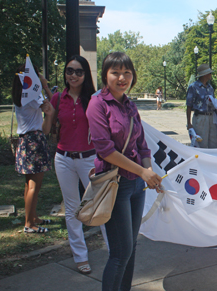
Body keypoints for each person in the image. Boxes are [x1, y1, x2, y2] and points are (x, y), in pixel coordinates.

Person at [86, 52, 164, 290]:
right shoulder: (97, 104)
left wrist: (148, 172)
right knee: (120, 253)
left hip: (137, 187)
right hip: (114, 185)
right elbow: (106, 151)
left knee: (130, 250)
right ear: (105, 75)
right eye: (115, 72)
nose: (122, 77)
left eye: (127, 72)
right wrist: (143, 172)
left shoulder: (130, 105)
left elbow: (142, 145)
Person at [50, 55, 107, 274]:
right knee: (72, 208)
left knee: (99, 206)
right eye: (69, 71)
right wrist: (48, 113)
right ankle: (80, 256)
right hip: (63, 159)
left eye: (78, 71)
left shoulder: (93, 99)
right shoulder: (57, 98)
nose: (73, 75)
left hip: (89, 159)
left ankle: (115, 252)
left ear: (85, 75)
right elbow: (48, 129)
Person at [12, 64, 54, 234]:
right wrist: (44, 85)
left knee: (29, 185)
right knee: (34, 186)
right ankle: (29, 223)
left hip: (25, 142)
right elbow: (52, 102)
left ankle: (32, 217)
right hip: (34, 142)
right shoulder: (32, 97)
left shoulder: (21, 96)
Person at [186, 64, 217, 148]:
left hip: (211, 117)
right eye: (209, 73)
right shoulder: (193, 87)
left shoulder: (210, 87)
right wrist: (189, 123)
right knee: (201, 143)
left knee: (213, 143)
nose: (211, 75)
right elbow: (188, 105)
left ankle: (212, 160)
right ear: (205, 75)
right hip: (200, 117)